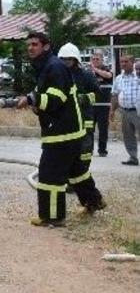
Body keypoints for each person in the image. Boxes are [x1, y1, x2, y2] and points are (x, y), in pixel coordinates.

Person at [15, 32, 87, 227]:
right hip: (67, 129)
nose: (30, 48)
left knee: (49, 175)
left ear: (46, 46)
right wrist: (32, 100)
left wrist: (32, 100)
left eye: (35, 44)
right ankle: (93, 202)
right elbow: (44, 93)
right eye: (28, 45)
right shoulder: (47, 66)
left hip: (62, 132)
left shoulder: (54, 66)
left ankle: (53, 217)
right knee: (77, 173)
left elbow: (56, 98)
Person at [56, 43, 106, 213]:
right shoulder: (60, 75)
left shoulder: (85, 75)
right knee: (70, 158)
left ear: (76, 60)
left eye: (69, 59)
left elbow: (97, 93)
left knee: (83, 158)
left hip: (85, 123)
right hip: (67, 124)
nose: (66, 62)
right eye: (63, 59)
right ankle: (82, 190)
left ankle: (88, 195)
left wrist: (82, 98)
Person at [110, 55, 139, 166]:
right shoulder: (119, 78)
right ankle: (133, 157)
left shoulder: (138, 76)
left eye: (126, 61)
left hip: (138, 111)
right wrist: (112, 110)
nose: (123, 64)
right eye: (121, 62)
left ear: (132, 62)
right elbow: (114, 94)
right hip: (125, 111)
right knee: (128, 135)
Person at [88, 50, 113, 156]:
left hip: (103, 105)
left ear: (102, 60)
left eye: (97, 59)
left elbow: (109, 76)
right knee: (89, 128)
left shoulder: (106, 69)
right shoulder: (88, 71)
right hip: (90, 105)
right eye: (93, 59)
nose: (95, 61)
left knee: (103, 129)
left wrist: (95, 69)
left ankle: (102, 150)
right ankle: (89, 149)